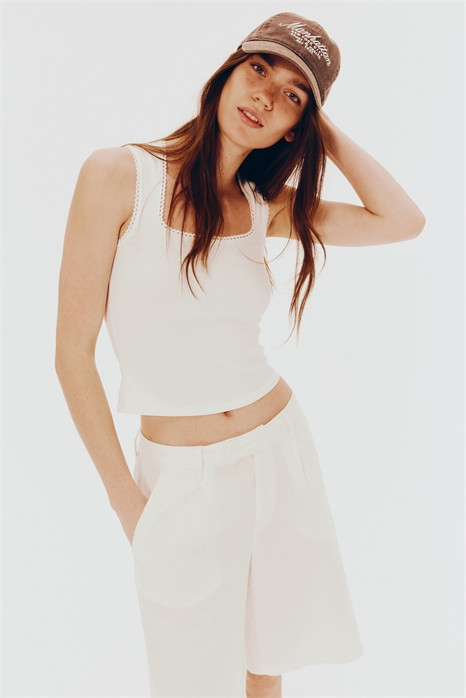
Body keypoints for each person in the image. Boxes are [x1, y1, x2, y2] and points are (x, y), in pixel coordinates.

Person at [55, 12, 425, 698]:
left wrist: (322, 127)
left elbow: (402, 221)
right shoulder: (118, 175)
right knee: (191, 682)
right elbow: (72, 354)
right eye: (259, 69)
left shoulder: (265, 207)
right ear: (228, 70)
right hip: (179, 481)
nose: (265, 96)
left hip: (277, 454)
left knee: (264, 666)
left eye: (292, 95)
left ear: (296, 127)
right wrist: (127, 503)